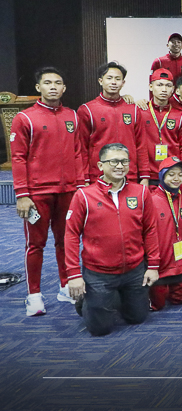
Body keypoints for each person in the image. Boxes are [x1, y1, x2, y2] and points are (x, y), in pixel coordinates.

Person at [64, 144, 160, 336]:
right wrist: (74, 275)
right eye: (114, 161)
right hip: (99, 273)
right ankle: (88, 300)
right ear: (100, 165)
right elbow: (71, 234)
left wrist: (153, 266)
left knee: (137, 318)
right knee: (100, 329)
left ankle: (112, 297)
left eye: (124, 161)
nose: (120, 166)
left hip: (134, 270)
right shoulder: (84, 196)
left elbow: (150, 229)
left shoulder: (141, 193)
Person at [13, 67, 86, 315]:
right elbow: (18, 158)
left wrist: (80, 186)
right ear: (38, 87)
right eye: (47, 83)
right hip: (37, 193)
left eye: (57, 83)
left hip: (68, 191)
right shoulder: (25, 118)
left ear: (64, 88)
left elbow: (78, 153)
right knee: (35, 244)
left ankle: (65, 287)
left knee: (66, 241)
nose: (53, 87)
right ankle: (34, 295)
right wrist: (22, 194)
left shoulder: (72, 116)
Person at [78, 62, 152, 184]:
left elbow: (141, 145)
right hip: (99, 176)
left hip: (129, 175)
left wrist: (145, 176)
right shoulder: (87, 110)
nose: (113, 82)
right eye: (109, 78)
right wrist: (84, 177)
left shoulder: (133, 110)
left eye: (117, 79)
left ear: (123, 83)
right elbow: (82, 148)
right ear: (100, 81)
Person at [141, 69, 182, 165]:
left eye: (168, 86)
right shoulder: (140, 112)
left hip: (173, 170)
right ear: (151, 87)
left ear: (173, 89)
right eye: (159, 85)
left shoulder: (181, 116)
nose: (164, 89)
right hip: (147, 171)